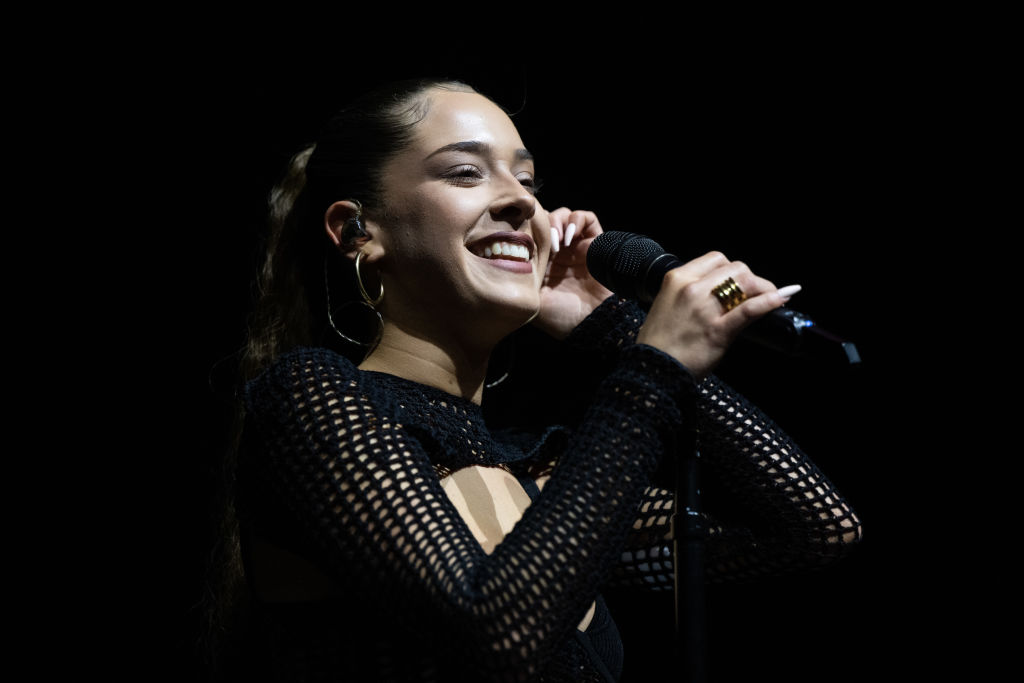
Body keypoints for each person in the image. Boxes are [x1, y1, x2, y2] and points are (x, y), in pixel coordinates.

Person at [204, 77, 862, 682]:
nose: (521, 200)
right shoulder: (312, 398)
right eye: (467, 172)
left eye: (528, 180)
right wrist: (654, 366)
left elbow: (814, 528)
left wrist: (604, 324)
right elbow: (500, 632)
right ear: (356, 230)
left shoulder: (537, 477)